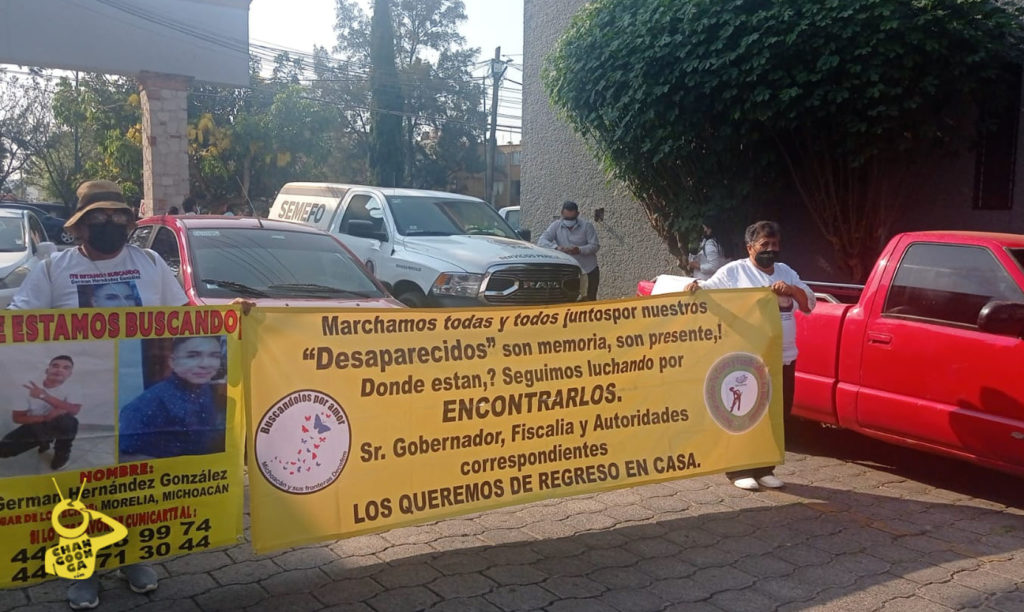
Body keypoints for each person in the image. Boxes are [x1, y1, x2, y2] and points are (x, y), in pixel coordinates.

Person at [8, 179, 189, 609]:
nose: (110, 223)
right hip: (78, 402)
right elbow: (17, 325)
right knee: (76, 490)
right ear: (79, 226)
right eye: (99, 217)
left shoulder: (150, 264)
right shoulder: (52, 270)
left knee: (133, 485)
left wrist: (237, 319)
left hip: (136, 396)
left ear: (128, 222)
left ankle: (132, 557)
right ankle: (81, 570)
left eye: (117, 216)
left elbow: (185, 319)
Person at [686, 220, 815, 491]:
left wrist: (791, 290)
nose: (771, 249)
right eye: (764, 244)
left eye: (775, 245)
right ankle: (739, 470)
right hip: (747, 359)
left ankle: (765, 468)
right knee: (744, 413)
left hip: (783, 358)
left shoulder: (786, 272)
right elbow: (707, 292)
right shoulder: (734, 272)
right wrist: (694, 287)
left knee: (776, 415)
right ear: (750, 247)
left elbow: (808, 304)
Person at [119, 336, 226, 459]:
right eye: (192, 356)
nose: (205, 364)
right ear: (172, 362)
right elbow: (126, 454)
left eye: (214, 356)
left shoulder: (206, 390)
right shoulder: (146, 404)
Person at [0, 355, 81, 470]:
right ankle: (44, 441)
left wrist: (44, 396)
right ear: (47, 370)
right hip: (35, 424)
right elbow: (17, 418)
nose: (59, 370)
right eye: (55, 366)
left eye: (66, 368)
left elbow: (75, 410)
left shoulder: (74, 387)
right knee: (3, 450)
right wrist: (45, 418)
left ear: (70, 374)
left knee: (69, 421)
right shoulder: (27, 388)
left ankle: (62, 453)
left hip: (60, 423)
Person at [538, 201, 601, 300]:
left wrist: (579, 250)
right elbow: (542, 241)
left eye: (572, 218)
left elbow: (595, 246)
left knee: (589, 300)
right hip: (567, 271)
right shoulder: (556, 225)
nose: (569, 221)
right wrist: (556, 248)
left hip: (588, 270)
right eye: (566, 218)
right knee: (567, 300)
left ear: (577, 214)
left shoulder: (587, 226)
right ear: (562, 213)